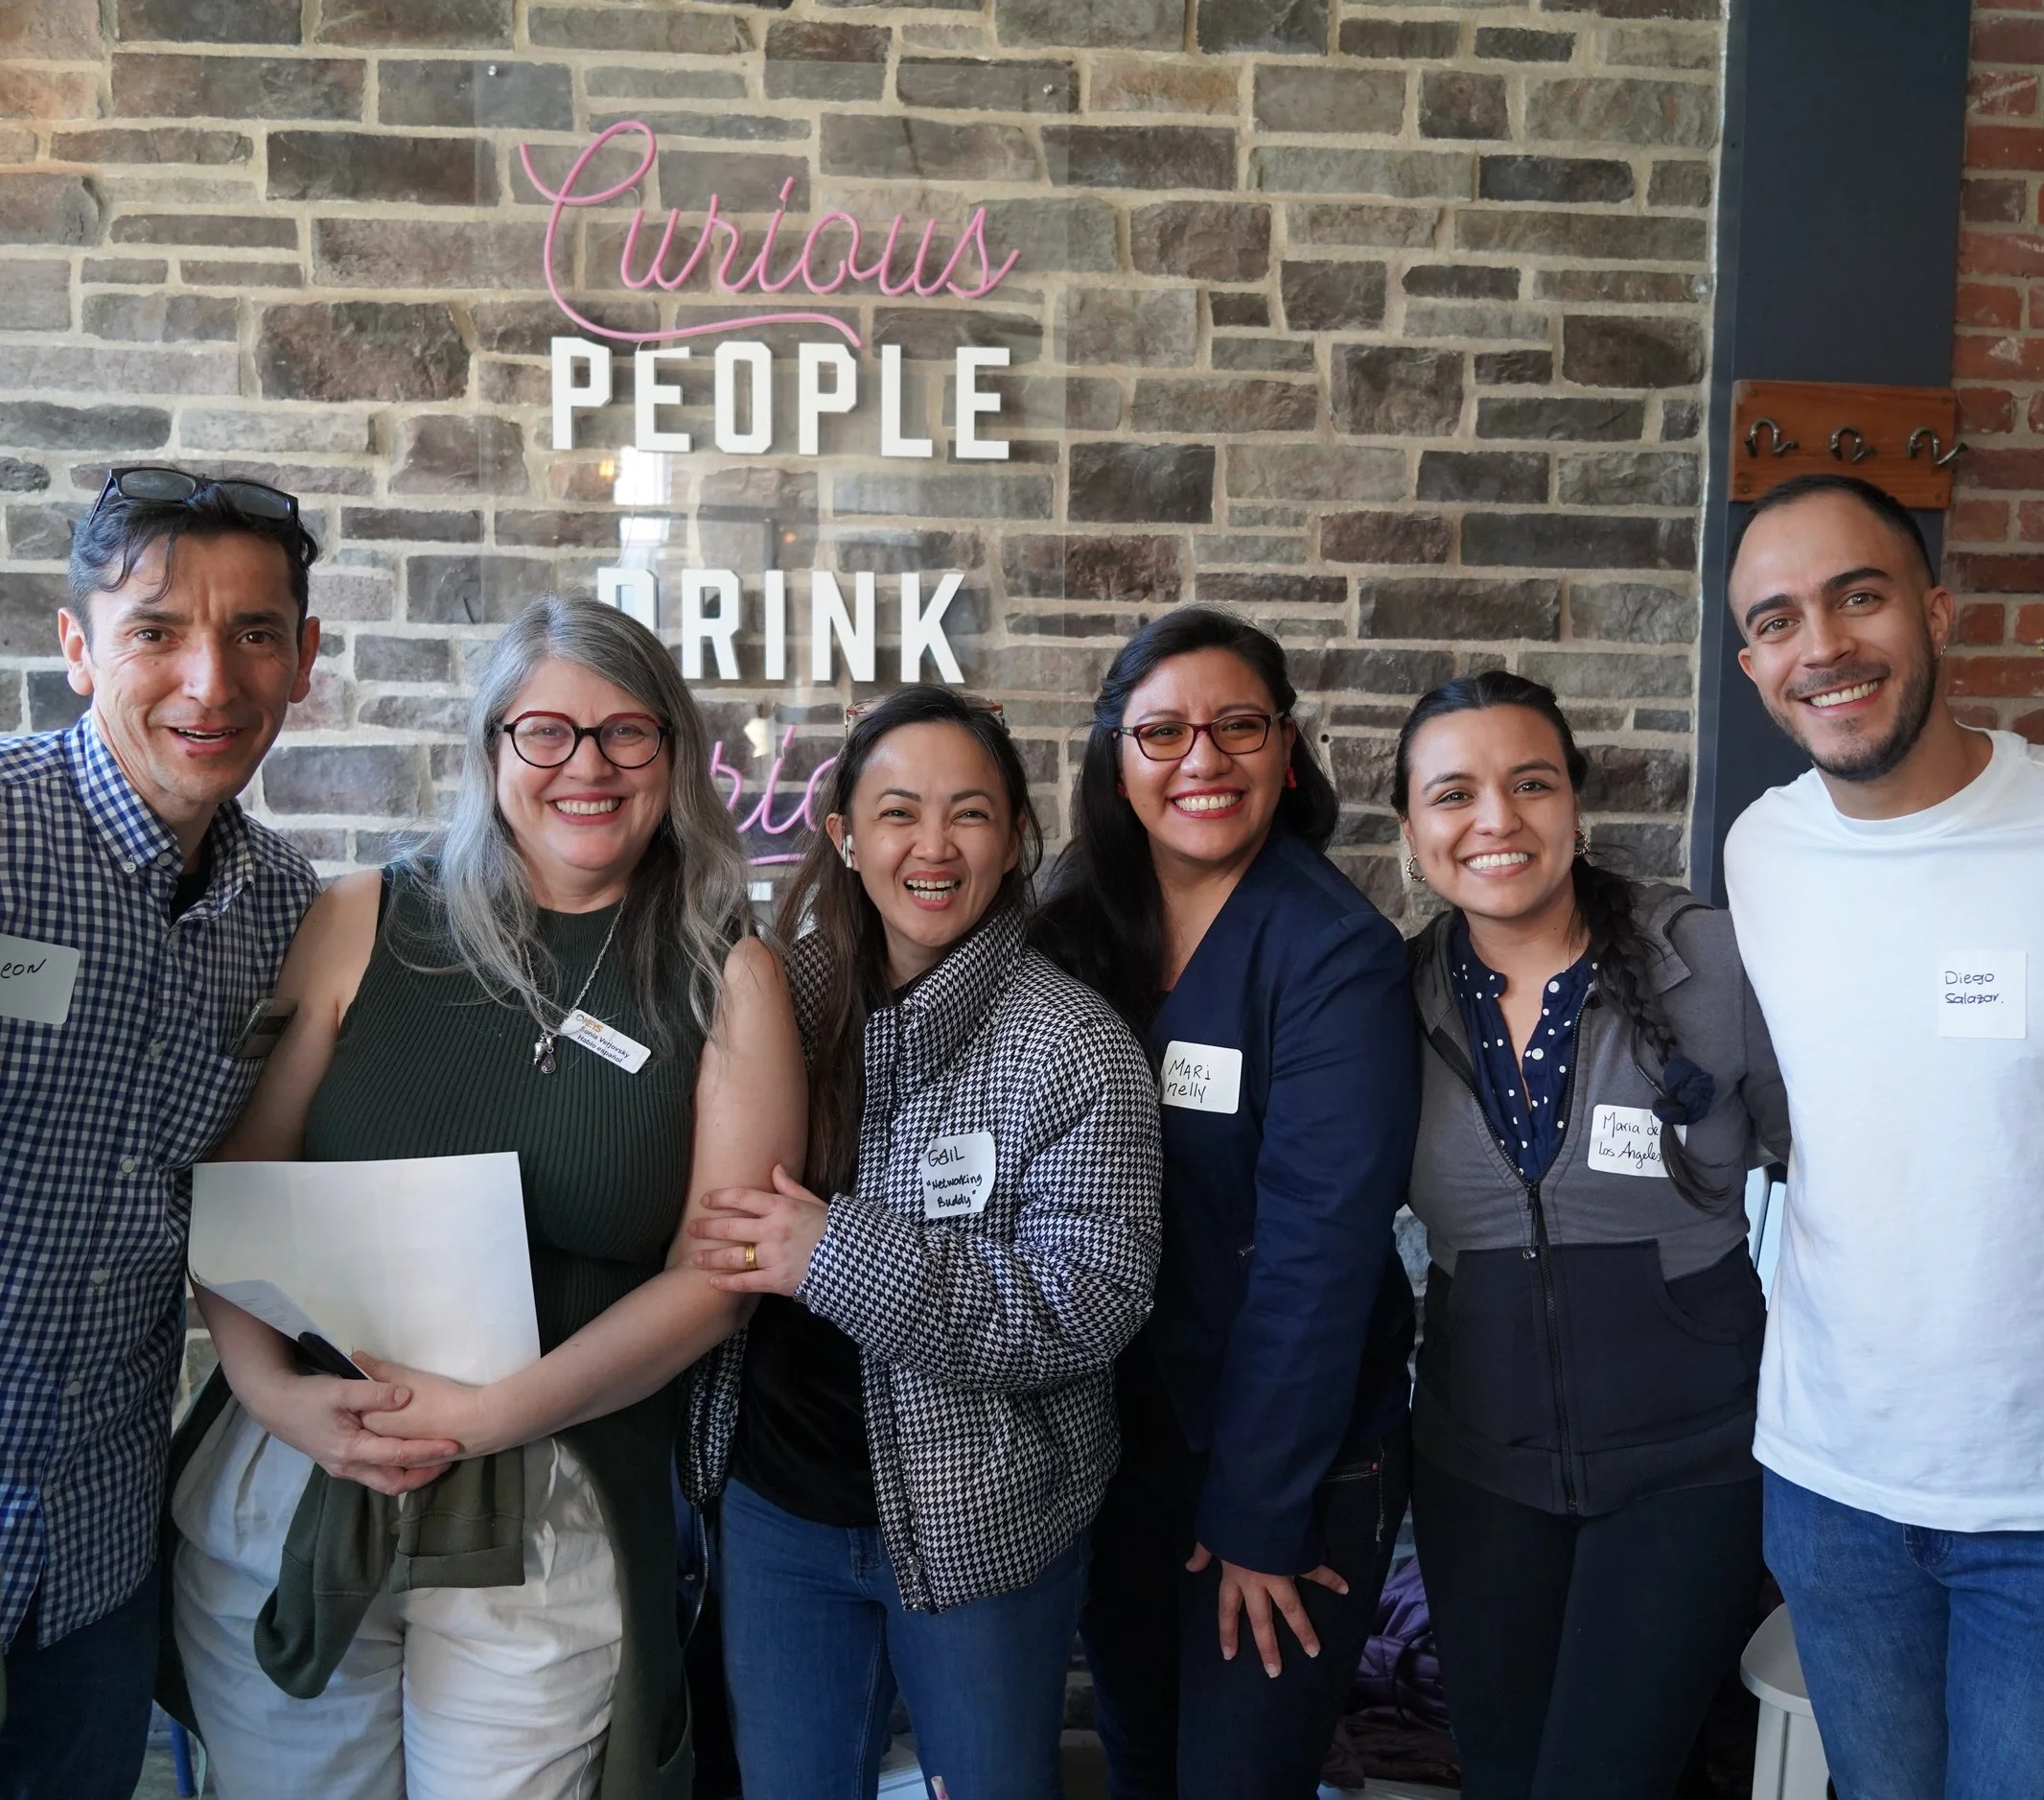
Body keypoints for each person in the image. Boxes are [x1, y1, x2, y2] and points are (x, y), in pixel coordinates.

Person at [166, 596, 803, 1800]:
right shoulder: (360, 918)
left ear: (673, 751)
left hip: (551, 1495)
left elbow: (716, 1279)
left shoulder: (730, 974)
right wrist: (271, 1390)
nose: (588, 767)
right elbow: (237, 1186)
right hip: (302, 1471)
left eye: (628, 732)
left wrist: (495, 1410)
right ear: (491, 747)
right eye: (547, 731)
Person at [1722, 474, 2044, 1799]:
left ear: (1936, 608)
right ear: (1753, 662)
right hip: (1829, 1477)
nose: (1824, 645)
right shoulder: (1762, 853)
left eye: (1858, 595)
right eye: (1779, 618)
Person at [678, 686, 1162, 1800]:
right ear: (844, 835)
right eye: (898, 812)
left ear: (1014, 841)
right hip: (775, 1510)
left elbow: (1085, 1302)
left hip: (983, 1527)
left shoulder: (1074, 1045)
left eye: (970, 813)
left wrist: (830, 1249)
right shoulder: (766, 997)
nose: (932, 846)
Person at [1036, 608, 1419, 1800]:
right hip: (1116, 1449)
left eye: (1236, 725)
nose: (1201, 759)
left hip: (1286, 1462)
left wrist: (1261, 1513)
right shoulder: (1070, 924)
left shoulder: (1331, 952)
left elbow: (1320, 1255)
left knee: (1238, 1782)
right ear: (1115, 760)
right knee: (1142, 1760)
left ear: (1287, 749)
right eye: (1162, 732)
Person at [1389, 671, 1786, 1800]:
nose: (1496, 819)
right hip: (1478, 1471)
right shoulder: (1388, 996)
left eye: (1529, 783)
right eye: (1453, 794)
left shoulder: (1703, 958)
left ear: (1575, 802)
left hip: (1690, 1467)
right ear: (1413, 831)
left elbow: (1822, 1159)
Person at [0, 468, 322, 1800]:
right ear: (77, 649)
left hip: (90, 1557)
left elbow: (255, 1197)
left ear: (305, 659)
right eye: (156, 631)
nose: (212, 679)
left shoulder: (286, 916)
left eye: (256, 632)